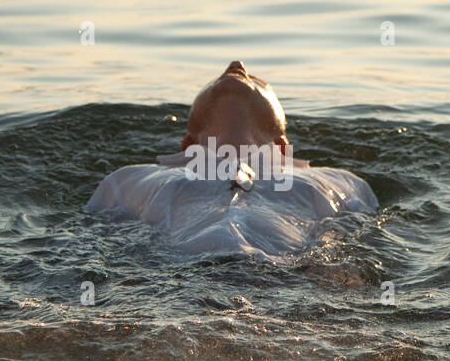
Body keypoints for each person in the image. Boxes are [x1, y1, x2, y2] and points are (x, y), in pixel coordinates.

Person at [85, 60, 378, 259]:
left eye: (255, 79)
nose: (237, 66)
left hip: (267, 271)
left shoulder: (339, 183)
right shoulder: (128, 180)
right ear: (187, 147)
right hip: (192, 269)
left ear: (283, 147)